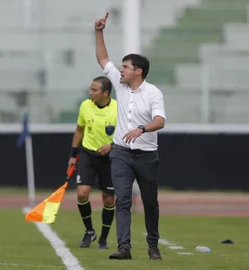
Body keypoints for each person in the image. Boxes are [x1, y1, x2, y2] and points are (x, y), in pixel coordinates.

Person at [94, 12, 166, 260]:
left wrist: (141, 129)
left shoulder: (154, 93)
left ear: (138, 71)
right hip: (121, 153)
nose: (120, 70)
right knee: (122, 200)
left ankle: (153, 245)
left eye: (125, 67)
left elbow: (160, 121)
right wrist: (99, 31)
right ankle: (124, 248)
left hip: (146, 154)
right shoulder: (120, 83)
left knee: (150, 203)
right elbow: (103, 58)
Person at [68, 76, 117, 249]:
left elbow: (126, 135)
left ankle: (103, 238)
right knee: (82, 194)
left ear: (106, 93)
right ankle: (89, 231)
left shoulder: (119, 109)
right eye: (90, 89)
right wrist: (73, 155)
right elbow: (79, 130)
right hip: (88, 155)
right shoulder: (85, 105)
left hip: (110, 159)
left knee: (109, 199)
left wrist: (111, 146)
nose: (90, 93)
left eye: (94, 90)